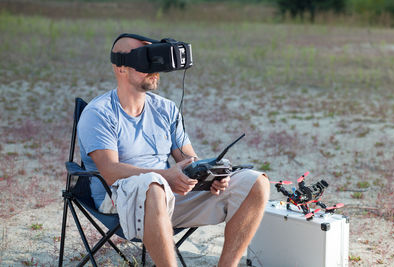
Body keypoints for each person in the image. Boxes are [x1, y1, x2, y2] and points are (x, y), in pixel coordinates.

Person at [77, 36, 270, 267]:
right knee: (153, 186)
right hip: (118, 201)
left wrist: (210, 177)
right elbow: (110, 171)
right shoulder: (99, 113)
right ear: (120, 68)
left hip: (168, 196)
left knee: (256, 182)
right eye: (146, 63)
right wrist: (165, 176)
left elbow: (189, 161)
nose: (155, 71)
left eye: (156, 63)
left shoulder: (166, 109)